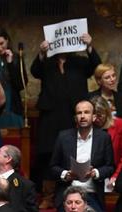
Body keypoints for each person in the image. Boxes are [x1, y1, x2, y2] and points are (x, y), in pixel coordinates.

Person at [31, 32, 101, 201]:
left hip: (73, 114)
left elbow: (96, 66)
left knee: (71, 151)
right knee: (48, 153)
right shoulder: (47, 62)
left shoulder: (80, 62)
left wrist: (89, 46)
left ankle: (74, 193)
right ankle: (48, 196)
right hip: (50, 115)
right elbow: (35, 71)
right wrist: (42, 53)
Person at [47, 100, 114, 212]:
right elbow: (53, 167)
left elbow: (110, 167)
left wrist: (95, 173)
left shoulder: (103, 138)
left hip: (92, 194)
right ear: (75, 118)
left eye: (86, 112)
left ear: (94, 117)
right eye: (79, 113)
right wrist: (66, 174)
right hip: (68, 193)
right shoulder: (63, 137)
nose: (82, 116)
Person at [90, 95, 122, 181]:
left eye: (100, 116)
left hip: (114, 173)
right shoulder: (87, 127)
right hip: (92, 173)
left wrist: (116, 175)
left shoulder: (119, 124)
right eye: (94, 116)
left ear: (107, 113)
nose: (96, 120)